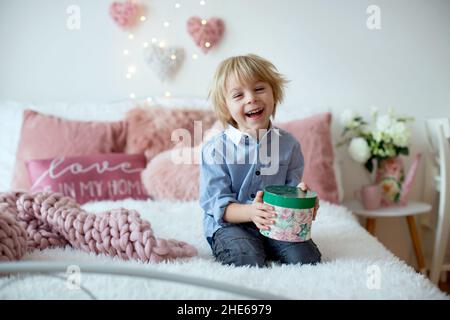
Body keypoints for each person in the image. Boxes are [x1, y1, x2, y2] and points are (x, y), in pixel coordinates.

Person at [199, 54, 321, 267]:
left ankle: (266, 245)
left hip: (276, 222)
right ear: (226, 107)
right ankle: (253, 246)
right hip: (231, 225)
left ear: (274, 93)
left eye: (258, 89)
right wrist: (251, 213)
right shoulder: (215, 149)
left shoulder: (289, 144)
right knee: (244, 259)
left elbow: (290, 193)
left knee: (307, 259)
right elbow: (218, 205)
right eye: (238, 95)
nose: (251, 99)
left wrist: (303, 202)